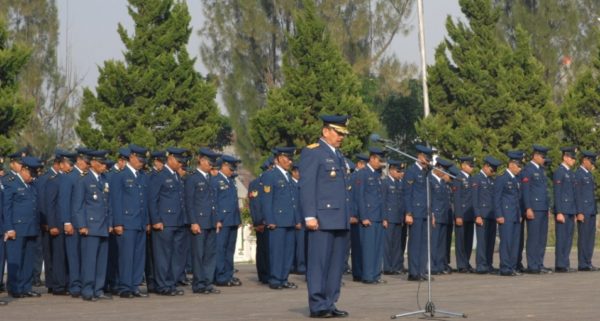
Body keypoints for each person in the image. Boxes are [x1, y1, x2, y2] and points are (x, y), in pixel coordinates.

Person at [299, 115, 351, 318]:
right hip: (321, 218)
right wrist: (310, 215)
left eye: (343, 134)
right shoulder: (313, 153)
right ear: (325, 132)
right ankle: (318, 304)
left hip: (340, 217)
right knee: (319, 263)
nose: (341, 137)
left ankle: (330, 302)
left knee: (336, 265)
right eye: (338, 133)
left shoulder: (339, 155)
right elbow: (307, 186)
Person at [148, 147, 190, 295]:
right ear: (170, 159)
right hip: (164, 222)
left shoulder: (177, 176)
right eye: (178, 161)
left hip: (178, 221)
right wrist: (156, 220)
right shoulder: (159, 176)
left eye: (182, 162)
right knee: (163, 256)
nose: (180, 164)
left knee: (176, 256)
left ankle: (171, 283)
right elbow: (152, 200)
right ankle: (162, 285)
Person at [111, 144, 150, 298]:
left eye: (143, 160)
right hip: (126, 222)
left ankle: (134, 285)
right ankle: (125, 287)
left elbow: (144, 201)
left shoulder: (142, 176)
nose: (141, 163)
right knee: (126, 256)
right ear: (132, 157)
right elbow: (116, 201)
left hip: (139, 222)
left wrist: (147, 221)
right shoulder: (120, 176)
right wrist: (118, 223)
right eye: (139, 159)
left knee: (139, 256)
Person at [73, 150, 112, 301]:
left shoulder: (104, 179)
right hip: (90, 226)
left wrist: (110, 223)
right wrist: (82, 225)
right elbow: (78, 206)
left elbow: (109, 204)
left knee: (102, 261)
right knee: (89, 261)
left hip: (103, 226)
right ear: (93, 163)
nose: (104, 166)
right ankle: (88, 290)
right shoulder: (83, 180)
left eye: (105, 164)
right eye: (102, 164)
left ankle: (99, 289)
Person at [3, 156, 43, 298]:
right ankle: (15, 288)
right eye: (31, 174)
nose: (33, 177)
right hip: (17, 228)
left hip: (31, 227)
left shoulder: (32, 185)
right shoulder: (11, 183)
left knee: (28, 260)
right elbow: (6, 208)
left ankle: (26, 287)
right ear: (24, 170)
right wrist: (9, 228)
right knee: (16, 259)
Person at [261, 147, 301, 290]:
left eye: (290, 159)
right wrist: (270, 220)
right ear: (278, 158)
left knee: (288, 252)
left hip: (289, 220)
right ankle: (276, 279)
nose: (289, 161)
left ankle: (284, 278)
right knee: (277, 252)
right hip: (277, 221)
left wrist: (297, 220)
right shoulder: (270, 175)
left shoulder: (288, 176)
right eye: (286, 158)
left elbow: (293, 201)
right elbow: (267, 200)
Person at [184, 147, 222, 294]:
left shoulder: (211, 178)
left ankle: (207, 282)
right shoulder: (192, 178)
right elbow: (189, 202)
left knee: (210, 254)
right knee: (198, 254)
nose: (211, 165)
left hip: (211, 221)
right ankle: (199, 283)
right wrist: (193, 222)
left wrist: (217, 219)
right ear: (201, 160)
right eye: (209, 162)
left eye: (212, 162)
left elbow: (214, 201)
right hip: (199, 222)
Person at [59, 146, 92, 298]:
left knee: (85, 256)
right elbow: (64, 201)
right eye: (86, 161)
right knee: (73, 256)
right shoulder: (69, 176)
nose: (88, 164)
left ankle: (85, 283)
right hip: (72, 222)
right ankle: (75, 286)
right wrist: (66, 222)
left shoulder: (87, 176)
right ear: (78, 161)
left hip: (86, 222)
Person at [355, 147, 387, 284]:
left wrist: (384, 217)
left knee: (377, 248)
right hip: (368, 216)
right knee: (368, 248)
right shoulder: (363, 174)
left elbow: (381, 198)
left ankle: (376, 274)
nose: (380, 163)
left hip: (378, 216)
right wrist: (364, 217)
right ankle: (368, 275)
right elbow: (360, 197)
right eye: (379, 160)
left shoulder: (377, 175)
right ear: (372, 158)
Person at [520, 145, 552, 274]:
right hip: (534, 208)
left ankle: (539, 263)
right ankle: (532, 265)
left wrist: (547, 207)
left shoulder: (541, 170)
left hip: (542, 208)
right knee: (533, 237)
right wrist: (528, 208)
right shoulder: (528, 170)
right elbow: (526, 191)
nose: (544, 159)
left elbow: (544, 191)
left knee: (541, 238)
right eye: (542, 157)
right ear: (536, 156)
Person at [404, 144, 433, 281]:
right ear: (420, 156)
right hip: (415, 212)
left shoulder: (426, 172)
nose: (428, 161)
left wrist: (431, 213)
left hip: (425, 212)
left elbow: (428, 194)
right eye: (426, 158)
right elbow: (407, 193)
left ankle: (422, 270)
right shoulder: (412, 171)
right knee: (415, 243)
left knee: (424, 243)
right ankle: (413, 272)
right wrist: (408, 212)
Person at [213, 155, 243, 287]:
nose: (232, 171)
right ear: (223, 166)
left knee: (230, 250)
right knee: (220, 249)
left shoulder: (231, 181)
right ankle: (220, 276)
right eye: (230, 168)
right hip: (222, 220)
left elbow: (234, 203)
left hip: (232, 220)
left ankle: (228, 274)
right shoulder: (216, 180)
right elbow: (214, 202)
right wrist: (217, 219)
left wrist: (238, 219)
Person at [494, 151, 525, 276]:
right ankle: (505, 267)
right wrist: (499, 215)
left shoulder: (516, 179)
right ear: (511, 165)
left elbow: (517, 198)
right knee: (506, 241)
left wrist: (520, 213)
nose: (520, 169)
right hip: (505, 215)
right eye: (518, 166)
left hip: (515, 215)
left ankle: (512, 267)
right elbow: (497, 198)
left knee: (515, 242)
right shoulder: (502, 178)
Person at [473, 156, 501, 274]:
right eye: (492, 170)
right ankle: (481, 265)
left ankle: (488, 264)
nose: (493, 172)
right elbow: (475, 199)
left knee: (490, 241)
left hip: (491, 214)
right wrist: (477, 215)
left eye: (495, 170)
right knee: (482, 241)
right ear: (485, 166)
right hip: (482, 215)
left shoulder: (491, 180)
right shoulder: (477, 179)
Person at [554, 146, 578, 273]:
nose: (574, 160)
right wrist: (559, 212)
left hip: (570, 210)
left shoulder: (570, 173)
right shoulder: (560, 172)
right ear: (565, 157)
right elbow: (558, 193)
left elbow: (573, 194)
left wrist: (574, 211)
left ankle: (565, 262)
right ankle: (560, 264)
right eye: (572, 158)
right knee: (562, 238)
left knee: (568, 238)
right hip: (563, 210)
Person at [248, 158, 272, 284]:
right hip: (263, 222)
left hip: (274, 221)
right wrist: (258, 222)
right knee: (263, 249)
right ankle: (264, 274)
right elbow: (255, 204)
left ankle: (272, 273)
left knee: (273, 250)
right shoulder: (257, 183)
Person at [382, 160, 406, 275]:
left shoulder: (400, 183)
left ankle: (396, 266)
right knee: (387, 244)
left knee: (397, 244)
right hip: (389, 217)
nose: (400, 173)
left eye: (401, 171)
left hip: (398, 217)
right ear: (391, 170)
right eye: (398, 171)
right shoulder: (385, 182)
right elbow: (383, 201)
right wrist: (384, 218)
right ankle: (387, 267)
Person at [429, 158, 453, 274]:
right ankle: (432, 266)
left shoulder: (442, 182)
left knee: (441, 243)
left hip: (443, 215)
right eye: (443, 170)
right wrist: (431, 214)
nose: (445, 173)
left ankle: (439, 265)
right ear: (437, 167)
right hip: (435, 215)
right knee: (434, 243)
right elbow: (430, 200)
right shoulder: (430, 180)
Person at [575, 151, 598, 271]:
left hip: (591, 210)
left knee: (590, 237)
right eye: (591, 162)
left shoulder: (589, 175)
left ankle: (588, 261)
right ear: (584, 160)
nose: (592, 165)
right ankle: (583, 263)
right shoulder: (579, 174)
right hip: (584, 211)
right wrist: (579, 212)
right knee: (584, 237)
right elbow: (578, 195)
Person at [454, 156, 475, 273]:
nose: (471, 168)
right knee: (461, 241)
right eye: (469, 165)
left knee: (468, 240)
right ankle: (461, 265)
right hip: (461, 214)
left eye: (472, 166)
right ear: (463, 165)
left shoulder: (472, 179)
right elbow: (457, 199)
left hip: (470, 214)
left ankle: (466, 262)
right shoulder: (458, 179)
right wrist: (458, 215)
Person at [348, 153, 368, 282]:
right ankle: (358, 272)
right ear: (359, 164)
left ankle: (361, 270)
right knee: (357, 246)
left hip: (362, 215)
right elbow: (351, 198)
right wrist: (353, 214)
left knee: (362, 246)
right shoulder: (354, 177)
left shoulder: (362, 176)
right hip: (355, 216)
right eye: (365, 165)